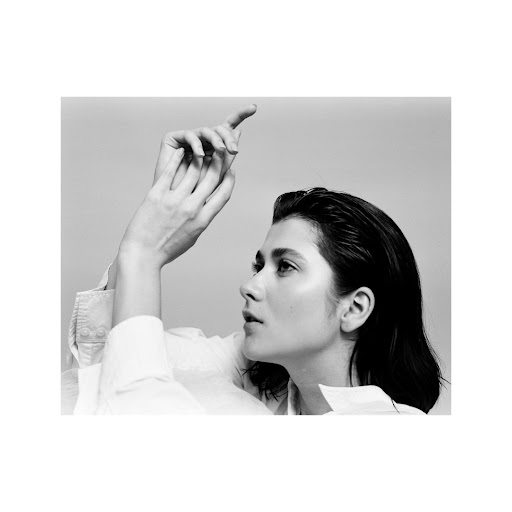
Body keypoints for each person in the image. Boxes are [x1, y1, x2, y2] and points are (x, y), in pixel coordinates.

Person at [62, 104, 443, 415]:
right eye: (259, 266)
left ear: (354, 308)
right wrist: (162, 204)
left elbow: (140, 415)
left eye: (285, 267)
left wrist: (144, 253)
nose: (250, 285)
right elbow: (116, 353)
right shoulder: (260, 378)